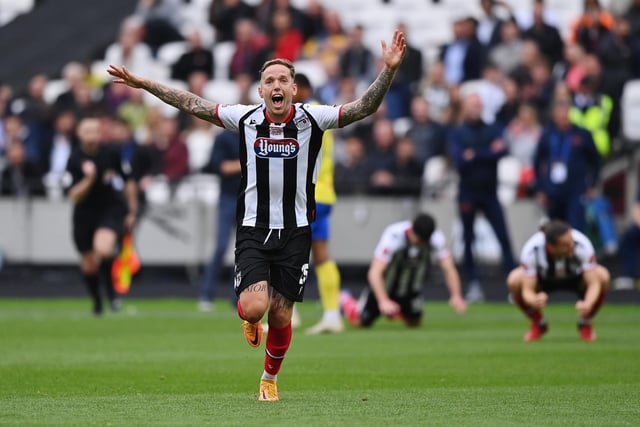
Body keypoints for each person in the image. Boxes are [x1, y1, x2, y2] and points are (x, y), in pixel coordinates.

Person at [107, 29, 408, 401]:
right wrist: (143, 83)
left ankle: (269, 378)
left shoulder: (315, 119)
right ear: (261, 91)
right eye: (269, 80)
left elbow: (364, 108)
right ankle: (248, 320)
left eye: (284, 79)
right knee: (255, 308)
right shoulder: (245, 118)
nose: (276, 85)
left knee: (281, 317)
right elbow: (190, 103)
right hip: (253, 228)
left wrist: (389, 71)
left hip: (296, 231)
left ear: (294, 89)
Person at [448, 92, 517, 303]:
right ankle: (473, 284)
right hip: (468, 192)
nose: (475, 109)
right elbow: (460, 160)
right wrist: (486, 153)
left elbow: (502, 152)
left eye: (478, 105)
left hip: (489, 192)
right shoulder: (458, 132)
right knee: (468, 240)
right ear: (465, 108)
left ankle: (515, 284)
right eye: (472, 105)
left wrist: (475, 154)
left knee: (504, 238)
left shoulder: (492, 128)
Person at [340, 213, 467, 328]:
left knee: (414, 323)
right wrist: (383, 300)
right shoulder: (393, 236)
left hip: (410, 288)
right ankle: (345, 300)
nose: (420, 245)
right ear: (412, 231)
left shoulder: (436, 239)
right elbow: (375, 272)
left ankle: (396, 311)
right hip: (385, 287)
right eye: (418, 241)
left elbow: (449, 268)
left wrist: (456, 295)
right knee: (361, 322)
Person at [65, 116, 138, 315]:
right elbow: (73, 195)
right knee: (88, 264)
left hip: (109, 209)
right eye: (87, 131)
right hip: (84, 214)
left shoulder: (111, 154)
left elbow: (128, 180)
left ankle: (112, 294)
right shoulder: (74, 159)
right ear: (79, 134)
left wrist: (131, 210)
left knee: (104, 250)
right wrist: (89, 179)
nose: (91, 135)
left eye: (95, 131)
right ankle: (98, 302)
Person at [292, 73, 343, 335]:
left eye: (291, 87)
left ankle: (288, 315)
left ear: (301, 89)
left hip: (308, 194)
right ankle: (332, 314)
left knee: (286, 252)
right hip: (324, 192)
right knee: (321, 255)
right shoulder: (320, 113)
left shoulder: (306, 113)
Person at [507, 220, 610, 342]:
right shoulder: (532, 250)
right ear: (551, 247)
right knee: (514, 280)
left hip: (576, 278)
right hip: (543, 280)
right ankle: (539, 323)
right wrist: (534, 300)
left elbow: (594, 283)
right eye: (566, 245)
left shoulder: (581, 244)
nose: (571, 246)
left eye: (571, 241)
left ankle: (585, 322)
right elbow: (527, 289)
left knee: (603, 276)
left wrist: (588, 303)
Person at [198, 129, 241, 312]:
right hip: (229, 197)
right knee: (221, 246)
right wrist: (248, 163)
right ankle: (207, 294)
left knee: (245, 250)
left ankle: (238, 297)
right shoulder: (223, 138)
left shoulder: (252, 133)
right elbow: (221, 167)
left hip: (249, 198)